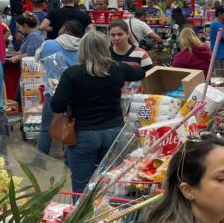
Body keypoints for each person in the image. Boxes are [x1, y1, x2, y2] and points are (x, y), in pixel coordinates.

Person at [51, 32, 147, 192]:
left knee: (81, 182)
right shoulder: (118, 69)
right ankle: (109, 215)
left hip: (83, 133)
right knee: (112, 182)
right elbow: (141, 72)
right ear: (106, 48)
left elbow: (57, 106)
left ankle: (82, 216)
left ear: (81, 50)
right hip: (114, 132)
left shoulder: (72, 73)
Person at [35, 20, 83, 157]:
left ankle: (39, 161)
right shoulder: (84, 46)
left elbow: (38, 58)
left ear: (63, 29)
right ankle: (69, 160)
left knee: (46, 130)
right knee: (72, 128)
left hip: (53, 93)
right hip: (77, 95)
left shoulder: (49, 44)